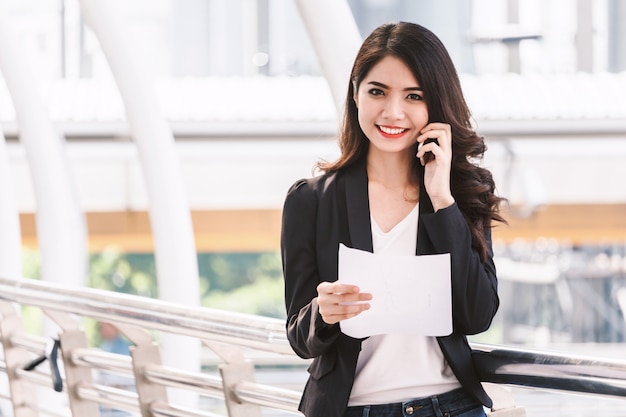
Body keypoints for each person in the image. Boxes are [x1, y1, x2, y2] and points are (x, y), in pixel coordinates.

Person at [280, 22, 506, 417]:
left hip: (452, 407)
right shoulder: (310, 202)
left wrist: (442, 200)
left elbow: (478, 314)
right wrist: (324, 312)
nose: (393, 112)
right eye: (377, 91)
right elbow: (300, 337)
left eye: (413, 96)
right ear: (355, 93)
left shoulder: (462, 193)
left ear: (434, 104)